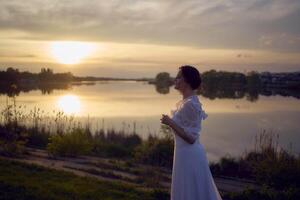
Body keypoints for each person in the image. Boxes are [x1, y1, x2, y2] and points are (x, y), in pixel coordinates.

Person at [160, 65, 223, 200]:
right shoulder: (185, 102)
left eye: (178, 77)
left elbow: (192, 138)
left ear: (187, 81)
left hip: (190, 155)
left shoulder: (190, 105)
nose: (175, 80)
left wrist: (170, 123)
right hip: (183, 153)